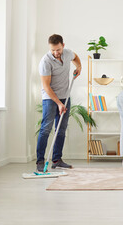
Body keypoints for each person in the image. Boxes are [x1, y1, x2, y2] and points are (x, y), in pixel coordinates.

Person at [36, 34, 82, 172]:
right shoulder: (45, 61)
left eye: (58, 49)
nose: (56, 53)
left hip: (65, 97)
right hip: (50, 98)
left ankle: (57, 160)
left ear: (63, 45)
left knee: (61, 130)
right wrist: (58, 103)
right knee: (45, 129)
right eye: (53, 50)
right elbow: (46, 87)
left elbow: (76, 58)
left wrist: (79, 67)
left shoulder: (67, 53)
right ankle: (40, 161)